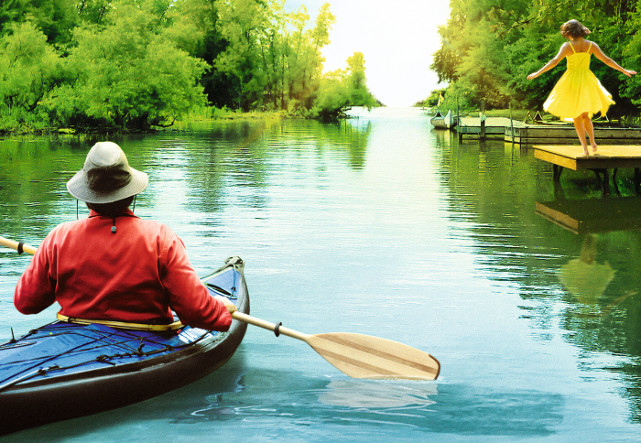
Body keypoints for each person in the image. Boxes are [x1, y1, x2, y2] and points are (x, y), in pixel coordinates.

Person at [14, 141, 236, 331]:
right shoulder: (162, 239)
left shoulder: (58, 238)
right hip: (147, 338)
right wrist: (221, 310)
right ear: (131, 194)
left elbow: (26, 303)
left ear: (86, 197)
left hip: (73, 336)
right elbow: (196, 312)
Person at [527, 19, 636, 156]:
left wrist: (538, 73)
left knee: (577, 116)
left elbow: (554, 61)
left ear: (568, 32)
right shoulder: (591, 45)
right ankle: (593, 143)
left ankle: (585, 148)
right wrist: (623, 70)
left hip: (571, 81)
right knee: (585, 115)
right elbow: (607, 60)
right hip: (586, 80)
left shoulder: (567, 46)